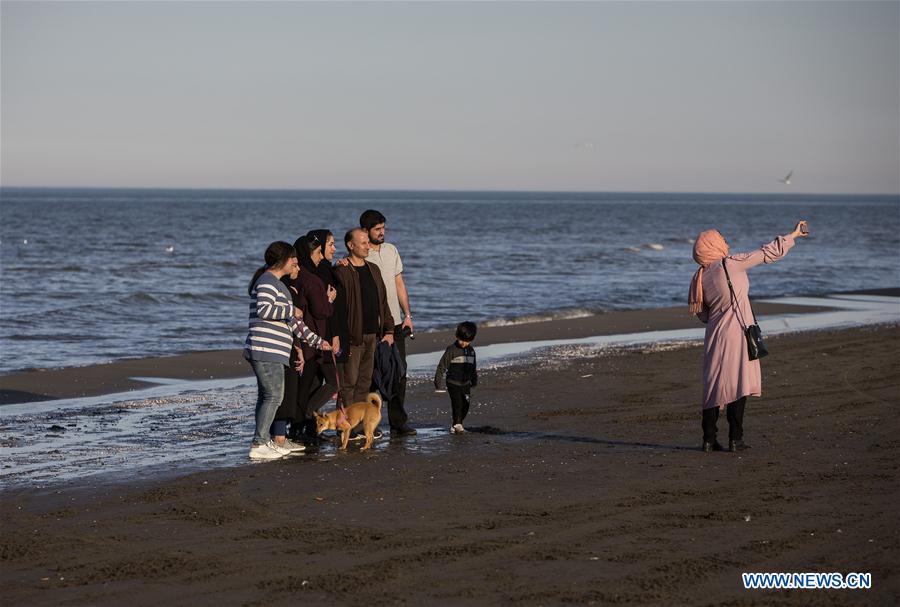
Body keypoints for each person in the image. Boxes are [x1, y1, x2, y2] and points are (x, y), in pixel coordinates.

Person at [690, 220, 808, 453]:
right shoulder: (731, 263)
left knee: (714, 385)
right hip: (737, 332)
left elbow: (703, 315)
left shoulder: (700, 277)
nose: (726, 243)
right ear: (714, 245)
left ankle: (708, 439)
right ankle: (736, 439)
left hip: (715, 335)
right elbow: (766, 253)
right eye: (723, 239)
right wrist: (793, 235)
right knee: (739, 383)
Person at [244, 241, 331, 460]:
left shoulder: (279, 285)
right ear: (283, 260)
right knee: (274, 396)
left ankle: (265, 440)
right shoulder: (267, 281)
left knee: (268, 396)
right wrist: (291, 309)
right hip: (265, 349)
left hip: (274, 351)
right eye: (293, 259)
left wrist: (317, 341)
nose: (296, 263)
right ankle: (260, 443)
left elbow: (294, 323)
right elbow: (265, 310)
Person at [359, 209, 417, 436]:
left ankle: (398, 423)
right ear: (365, 231)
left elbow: (399, 284)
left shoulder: (392, 250)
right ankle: (367, 425)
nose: (382, 232)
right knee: (371, 376)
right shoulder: (361, 254)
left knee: (399, 372)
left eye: (383, 228)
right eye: (377, 229)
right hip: (371, 326)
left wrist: (408, 316)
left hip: (396, 323)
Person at [332, 228, 395, 414]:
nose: (368, 246)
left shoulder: (373, 269)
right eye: (364, 243)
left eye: (368, 242)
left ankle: (358, 424)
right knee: (348, 383)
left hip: (373, 335)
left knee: (365, 383)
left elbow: (383, 302)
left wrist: (389, 330)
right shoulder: (341, 270)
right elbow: (335, 305)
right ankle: (344, 424)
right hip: (352, 336)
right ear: (351, 245)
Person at [294, 233, 341, 440]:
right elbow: (322, 311)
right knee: (331, 382)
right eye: (318, 252)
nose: (321, 257)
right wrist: (329, 299)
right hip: (314, 339)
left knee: (309, 384)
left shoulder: (296, 276)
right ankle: (304, 418)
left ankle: (304, 428)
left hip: (305, 338)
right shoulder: (311, 279)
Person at [434, 321, 478, 433]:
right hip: (453, 383)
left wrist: (474, 381)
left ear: (472, 339)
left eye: (467, 341)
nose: (464, 343)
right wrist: (438, 383)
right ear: (457, 336)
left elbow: (473, 367)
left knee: (466, 405)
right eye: (461, 340)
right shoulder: (451, 349)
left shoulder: (471, 351)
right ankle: (457, 424)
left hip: (466, 383)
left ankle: (457, 423)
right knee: (457, 403)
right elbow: (442, 366)